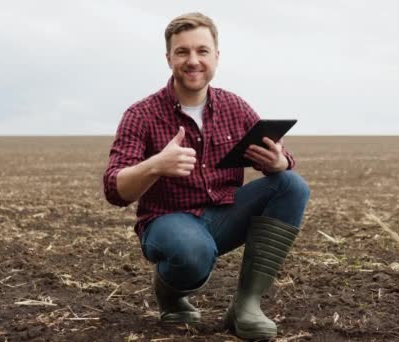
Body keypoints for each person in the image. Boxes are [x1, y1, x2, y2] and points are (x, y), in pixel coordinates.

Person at [102, 12, 310, 340]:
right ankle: (170, 292)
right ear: (168, 58)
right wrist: (156, 165)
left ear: (216, 56)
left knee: (291, 185)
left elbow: (283, 164)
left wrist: (279, 161)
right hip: (168, 221)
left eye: (202, 51)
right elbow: (115, 189)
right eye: (182, 52)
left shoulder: (234, 107)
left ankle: (246, 306)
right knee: (192, 252)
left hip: (224, 215)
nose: (193, 60)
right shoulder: (141, 115)